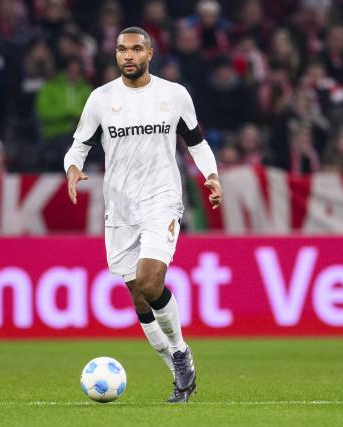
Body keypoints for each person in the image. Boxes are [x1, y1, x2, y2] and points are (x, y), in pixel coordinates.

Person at [63, 27, 222, 403]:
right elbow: (78, 146)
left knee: (151, 283)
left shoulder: (174, 95)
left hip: (161, 200)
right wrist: (72, 169)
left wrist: (211, 176)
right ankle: (179, 375)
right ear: (115, 54)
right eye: (121, 49)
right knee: (137, 296)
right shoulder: (101, 99)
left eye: (135, 48)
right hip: (119, 207)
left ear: (150, 52)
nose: (128, 55)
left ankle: (181, 353)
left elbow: (197, 143)